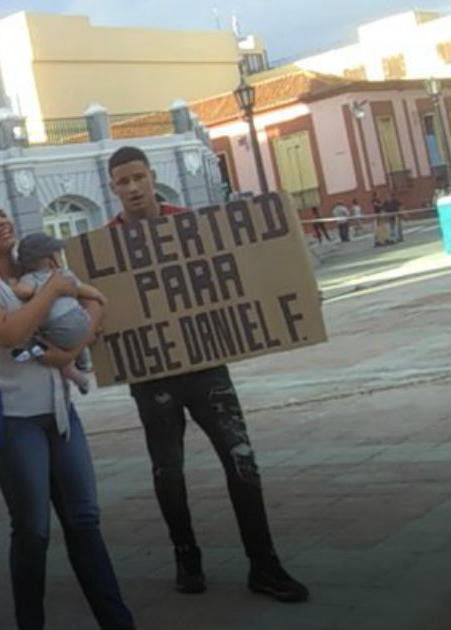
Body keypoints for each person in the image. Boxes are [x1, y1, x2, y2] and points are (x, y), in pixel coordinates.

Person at [106, 146, 308, 602]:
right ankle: (186, 556)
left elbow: (240, 271)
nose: (134, 187)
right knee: (168, 470)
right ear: (113, 187)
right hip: (152, 375)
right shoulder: (104, 245)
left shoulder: (190, 225)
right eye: (123, 181)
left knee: (241, 460)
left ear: (152, 176)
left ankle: (264, 563)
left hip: (205, 367)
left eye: (139, 177)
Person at [0, 199, 135, 630]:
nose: (1, 220)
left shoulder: (34, 268)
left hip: (60, 413)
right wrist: (53, 290)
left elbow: (92, 303)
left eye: (2, 213)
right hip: (12, 421)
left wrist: (72, 344)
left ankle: (119, 622)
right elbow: (9, 331)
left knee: (85, 519)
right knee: (33, 529)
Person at [10, 232, 107, 395]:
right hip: (81, 320)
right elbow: (83, 288)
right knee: (77, 332)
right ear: (49, 258)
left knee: (40, 337)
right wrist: (99, 295)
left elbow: (24, 291)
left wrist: (13, 286)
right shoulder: (64, 274)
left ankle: (67, 367)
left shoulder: (30, 278)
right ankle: (83, 362)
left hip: (57, 328)